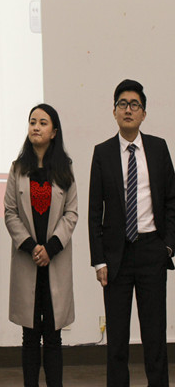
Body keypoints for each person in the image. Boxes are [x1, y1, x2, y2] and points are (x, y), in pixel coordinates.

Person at [89, 79, 175, 386]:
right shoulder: (102, 153)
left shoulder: (158, 148)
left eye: (134, 104)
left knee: (155, 337)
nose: (128, 109)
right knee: (117, 341)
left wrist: (168, 246)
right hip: (116, 256)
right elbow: (94, 211)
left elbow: (171, 200)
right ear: (114, 111)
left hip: (152, 251)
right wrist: (99, 260)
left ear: (143, 113)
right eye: (122, 104)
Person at [4, 104, 78, 387]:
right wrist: (32, 247)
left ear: (54, 132)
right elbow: (10, 212)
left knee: (54, 336)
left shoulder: (65, 169)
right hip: (29, 260)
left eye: (43, 123)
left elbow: (71, 213)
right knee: (30, 336)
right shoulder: (17, 169)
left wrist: (51, 248)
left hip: (55, 261)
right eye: (32, 122)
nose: (36, 127)